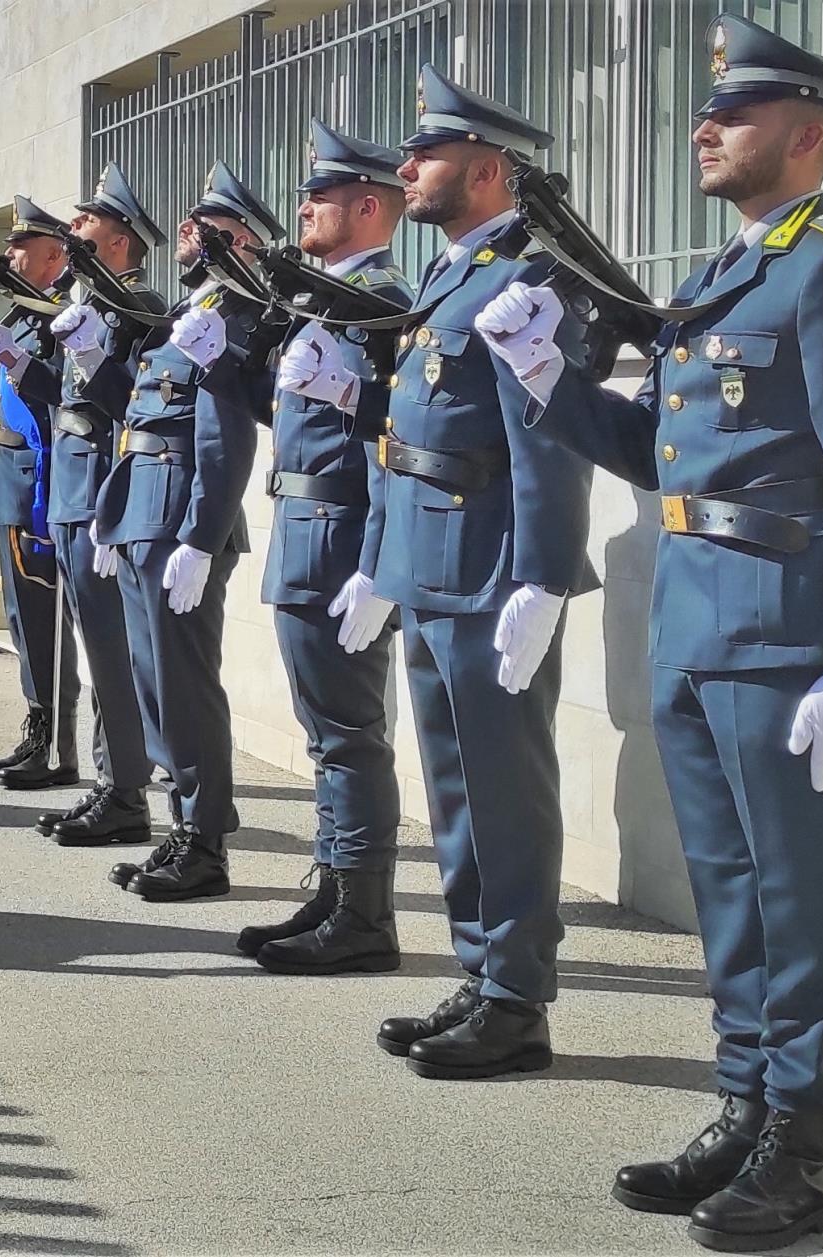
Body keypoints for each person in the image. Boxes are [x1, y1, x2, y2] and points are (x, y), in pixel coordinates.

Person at [475, 16, 823, 1249]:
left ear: (808, 135)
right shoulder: (727, 274)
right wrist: (546, 378)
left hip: (788, 640)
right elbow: (663, 458)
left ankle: (801, 1151)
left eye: (734, 112)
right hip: (693, 624)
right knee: (730, 897)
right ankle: (743, 1108)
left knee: (795, 902)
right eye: (709, 111)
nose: (704, 126)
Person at [350, 67, 596, 1078]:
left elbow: (552, 439)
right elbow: (402, 441)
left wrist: (544, 579)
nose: (406, 167)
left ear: (488, 169)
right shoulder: (448, 277)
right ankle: (481, 971)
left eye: (427, 153)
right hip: (428, 566)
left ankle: (518, 1001)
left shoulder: (531, 277)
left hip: (490, 573)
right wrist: (378, 562)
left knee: (504, 791)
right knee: (454, 789)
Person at [237, 121, 412, 975]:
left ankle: (366, 915)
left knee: (349, 734)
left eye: (321, 195)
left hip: (342, 542)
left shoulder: (381, 300)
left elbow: (399, 436)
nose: (303, 207)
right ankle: (337, 888)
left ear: (369, 206)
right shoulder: (319, 298)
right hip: (304, 532)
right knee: (324, 733)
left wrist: (378, 563)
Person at [96, 161, 282, 903]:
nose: (186, 228)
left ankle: (205, 842)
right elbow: (138, 416)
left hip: (179, 522)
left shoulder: (234, 317)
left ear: (243, 240)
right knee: (154, 684)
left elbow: (225, 438)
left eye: (206, 223)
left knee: (185, 687)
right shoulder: (188, 310)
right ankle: (182, 829)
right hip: (143, 512)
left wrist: (202, 538)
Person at [15, 163, 167, 848]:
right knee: (98, 650)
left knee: (114, 653)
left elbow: (135, 408)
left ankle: (126, 791)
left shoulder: (139, 307)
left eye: (86, 220)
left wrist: (110, 510)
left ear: (119, 239)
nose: (73, 227)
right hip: (73, 494)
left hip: (102, 494)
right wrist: (23, 368)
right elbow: (67, 400)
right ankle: (113, 784)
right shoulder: (95, 304)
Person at [0, 197, 81, 791]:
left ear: (54, 256)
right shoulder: (22, 315)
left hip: (42, 487)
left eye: (21, 245)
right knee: (23, 620)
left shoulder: (64, 319)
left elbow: (65, 398)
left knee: (45, 621)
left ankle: (57, 749)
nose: (9, 253)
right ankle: (38, 726)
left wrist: (17, 360)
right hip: (14, 487)